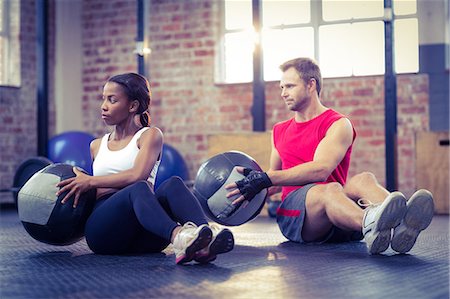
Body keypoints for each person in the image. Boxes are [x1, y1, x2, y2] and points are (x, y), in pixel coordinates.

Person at [226, 58, 434, 255]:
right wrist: (242, 193)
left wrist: (266, 178)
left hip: (340, 216)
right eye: (281, 87)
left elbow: (321, 169)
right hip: (297, 220)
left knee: (363, 179)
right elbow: (275, 181)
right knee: (329, 190)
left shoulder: (337, 123)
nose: (283, 93)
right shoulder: (279, 130)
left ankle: (404, 224)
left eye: (289, 86)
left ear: (311, 85)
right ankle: (372, 222)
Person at [56, 73, 234, 264]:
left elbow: (137, 175)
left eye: (112, 100)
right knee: (138, 188)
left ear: (132, 106)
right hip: (105, 234)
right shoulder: (96, 145)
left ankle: (205, 238)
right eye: (104, 99)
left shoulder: (149, 135)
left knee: (173, 184)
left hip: (147, 236)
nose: (104, 106)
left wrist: (90, 180)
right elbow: (131, 184)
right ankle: (180, 237)